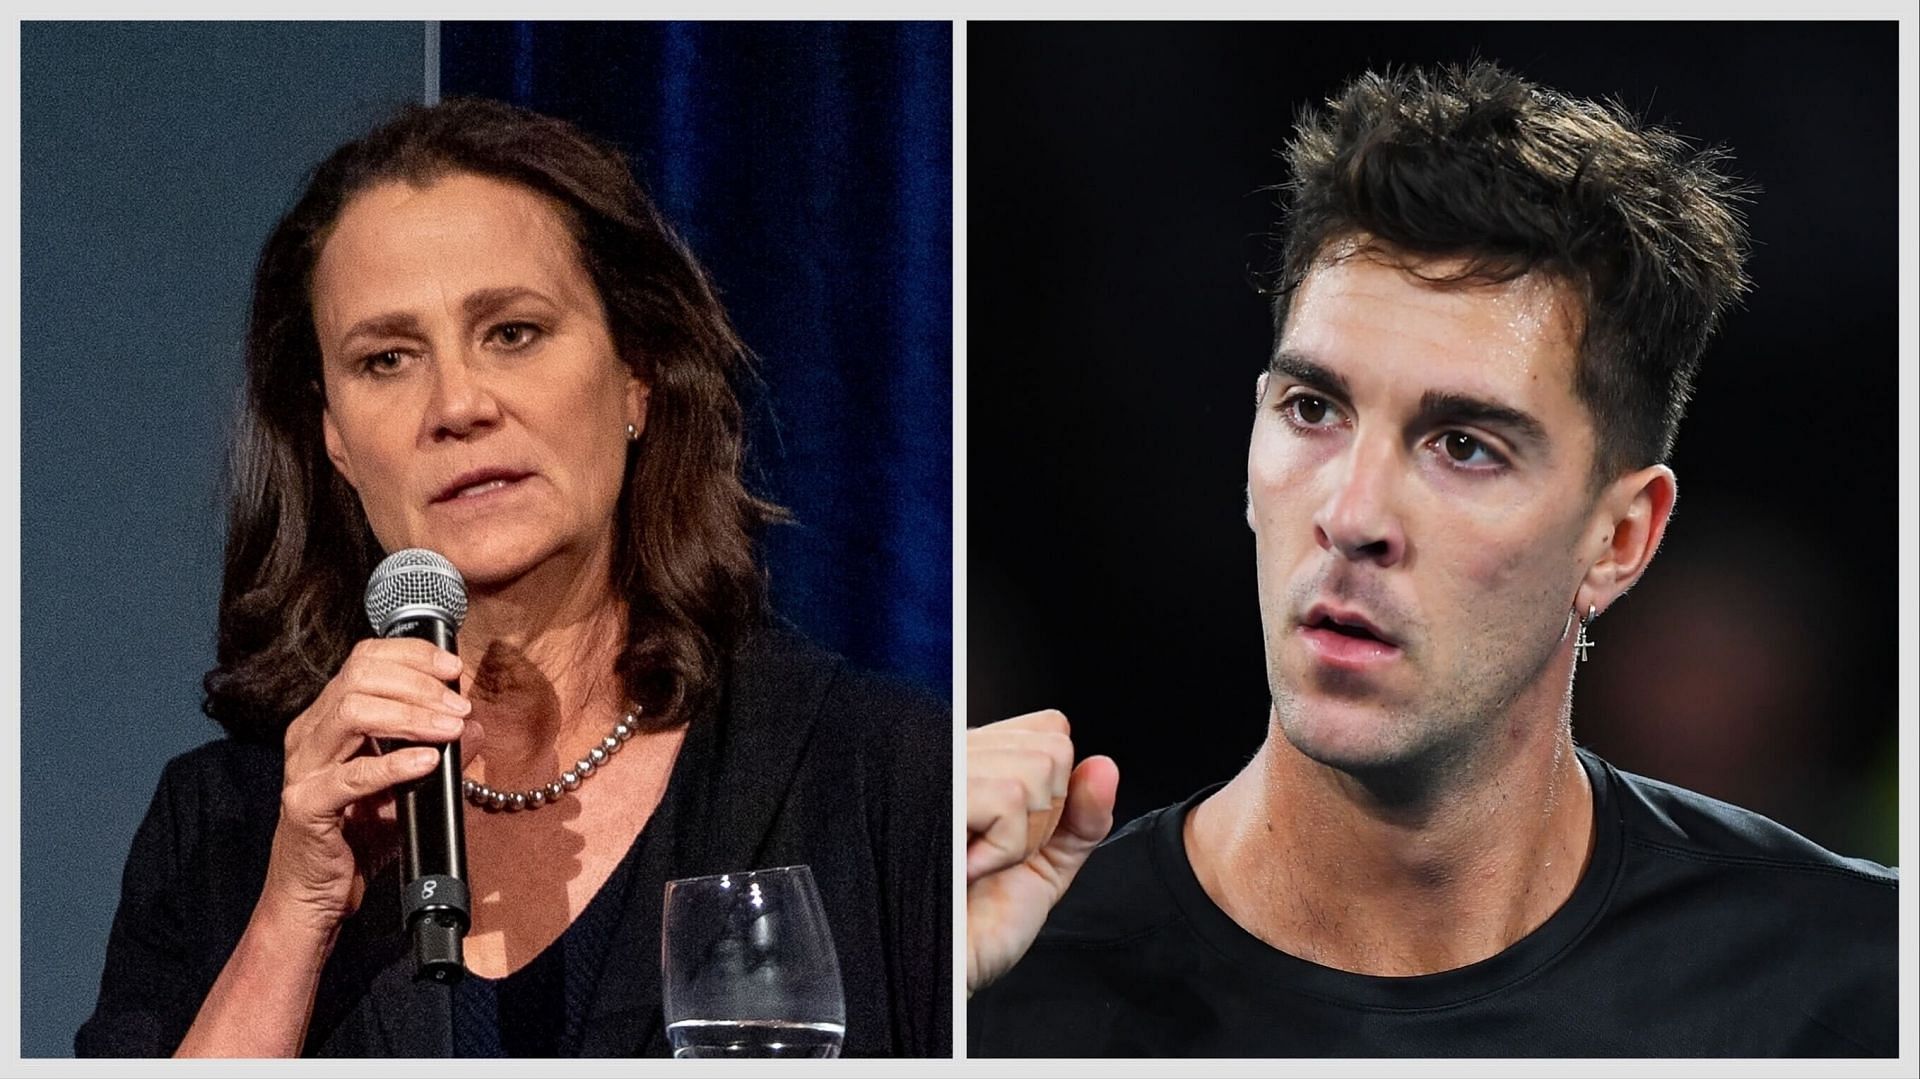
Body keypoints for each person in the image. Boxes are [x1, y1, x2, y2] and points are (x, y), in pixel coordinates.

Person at [966, 62, 1897, 1057]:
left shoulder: (1855, 984)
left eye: (1464, 443)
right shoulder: (993, 971)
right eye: (1312, 408)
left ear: (1620, 539)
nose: (1354, 514)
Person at [76, 97, 949, 1058]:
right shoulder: (225, 825)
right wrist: (295, 910)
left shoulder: (880, 775)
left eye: (513, 333)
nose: (457, 404)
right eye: (387, 358)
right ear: (333, 436)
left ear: (636, 373)